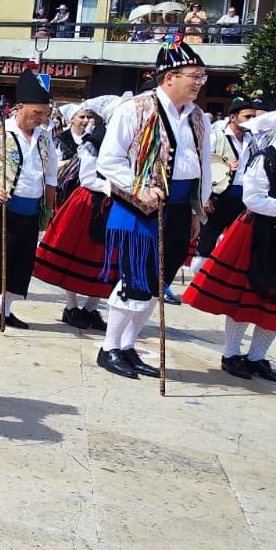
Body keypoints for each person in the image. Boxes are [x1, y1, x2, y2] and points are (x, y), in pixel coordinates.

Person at [95, 40, 213, 379]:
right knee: (135, 280)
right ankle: (109, 347)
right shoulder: (136, 108)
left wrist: (196, 211)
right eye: (194, 76)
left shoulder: (198, 117)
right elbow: (109, 160)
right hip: (140, 208)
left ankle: (129, 346)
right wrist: (138, 187)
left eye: (202, 77)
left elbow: (201, 165)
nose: (199, 83)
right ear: (169, 77)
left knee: (156, 283)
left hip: (178, 208)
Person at [184, 110, 276, 381]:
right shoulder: (267, 159)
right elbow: (253, 199)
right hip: (259, 233)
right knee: (245, 297)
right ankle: (231, 353)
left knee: (273, 302)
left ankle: (258, 357)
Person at [0, 71, 58, 330]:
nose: (42, 119)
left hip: (31, 209)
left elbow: (51, 172)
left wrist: (49, 205)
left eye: (45, 113)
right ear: (21, 108)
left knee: (20, 262)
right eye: (37, 113)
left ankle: (5, 309)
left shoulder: (44, 137)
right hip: (2, 208)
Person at [34, 97, 120, 330]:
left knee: (108, 259)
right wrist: (115, 187)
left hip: (114, 203)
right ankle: (71, 307)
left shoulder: (125, 141)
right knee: (76, 254)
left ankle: (91, 308)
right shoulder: (94, 141)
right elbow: (88, 178)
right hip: (89, 203)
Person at [191, 95, 263, 277]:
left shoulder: (252, 140)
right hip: (219, 196)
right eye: (247, 117)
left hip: (243, 198)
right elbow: (203, 165)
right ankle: (197, 280)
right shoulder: (216, 136)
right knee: (208, 238)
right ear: (233, 117)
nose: (251, 121)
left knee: (236, 240)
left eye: (253, 117)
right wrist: (204, 197)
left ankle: (221, 279)